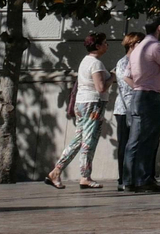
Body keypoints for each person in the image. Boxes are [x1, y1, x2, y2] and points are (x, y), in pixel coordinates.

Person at [45, 31, 112, 189]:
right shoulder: (95, 63)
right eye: (105, 42)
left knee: (78, 140)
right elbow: (101, 87)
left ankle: (56, 171)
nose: (107, 45)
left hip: (82, 103)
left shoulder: (85, 61)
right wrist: (113, 77)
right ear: (97, 46)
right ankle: (85, 176)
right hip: (93, 104)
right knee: (89, 141)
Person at [126, 18, 160, 192]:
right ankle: (144, 179)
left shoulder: (137, 48)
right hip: (149, 97)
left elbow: (127, 74)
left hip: (137, 95)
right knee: (149, 139)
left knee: (134, 140)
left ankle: (129, 180)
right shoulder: (154, 46)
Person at [112, 32, 143, 192]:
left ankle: (134, 177)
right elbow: (126, 88)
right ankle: (123, 178)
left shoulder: (137, 61)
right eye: (140, 42)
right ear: (132, 44)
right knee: (125, 144)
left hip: (135, 108)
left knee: (134, 144)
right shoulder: (124, 62)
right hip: (124, 109)